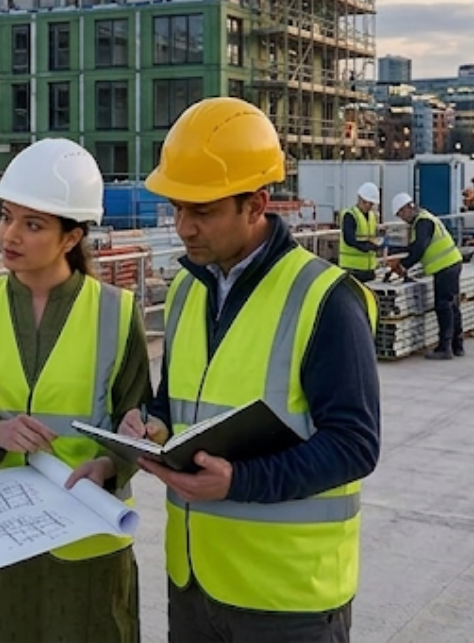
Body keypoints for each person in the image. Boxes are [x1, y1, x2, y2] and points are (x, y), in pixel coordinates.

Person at [121, 97, 380, 643]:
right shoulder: (188, 290)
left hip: (286, 599)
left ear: (257, 203)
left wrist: (240, 482)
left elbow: (356, 445)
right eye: (177, 209)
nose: (184, 228)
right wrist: (152, 427)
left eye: (203, 211)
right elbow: (176, 402)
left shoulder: (325, 300)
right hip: (194, 583)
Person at [0, 138, 149, 643]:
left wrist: (111, 464)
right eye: (6, 216)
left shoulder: (117, 313)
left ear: (70, 237)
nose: (10, 235)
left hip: (84, 541)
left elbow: (139, 419)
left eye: (32, 224)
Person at [389, 192, 464, 359]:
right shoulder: (424, 219)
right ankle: (457, 345)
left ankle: (445, 348)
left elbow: (420, 248)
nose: (402, 218)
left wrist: (403, 266)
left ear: (409, 207)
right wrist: (398, 254)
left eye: (401, 213)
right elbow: (415, 246)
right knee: (452, 305)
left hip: (445, 266)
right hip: (451, 264)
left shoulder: (422, 222)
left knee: (444, 305)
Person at [338, 181, 382, 283]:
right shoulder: (350, 215)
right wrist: (364, 246)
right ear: (359, 199)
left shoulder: (372, 216)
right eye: (366, 202)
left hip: (369, 270)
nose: (368, 206)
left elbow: (372, 236)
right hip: (352, 269)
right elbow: (349, 239)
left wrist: (375, 245)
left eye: (371, 204)